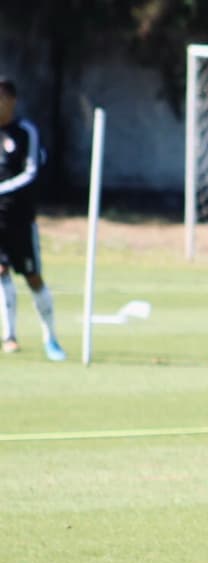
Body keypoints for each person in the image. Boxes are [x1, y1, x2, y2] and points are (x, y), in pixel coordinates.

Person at [0, 78, 64, 360]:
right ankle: (9, 336)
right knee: (0, 272)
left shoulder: (25, 132)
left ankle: (50, 337)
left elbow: (32, 172)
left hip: (20, 218)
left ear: (11, 100)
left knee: (33, 277)